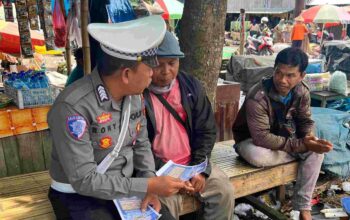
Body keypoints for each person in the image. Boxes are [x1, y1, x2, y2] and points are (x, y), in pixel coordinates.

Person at [47, 16, 193, 220]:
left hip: (127, 187)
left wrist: (149, 185)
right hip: (79, 195)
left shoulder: (135, 96)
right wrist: (148, 185)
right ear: (126, 74)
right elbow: (84, 181)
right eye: (149, 67)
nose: (153, 73)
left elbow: (141, 144)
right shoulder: (73, 107)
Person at [232, 47, 333, 220]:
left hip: (283, 141)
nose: (282, 80)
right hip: (251, 142)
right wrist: (302, 146)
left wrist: (308, 137)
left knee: (317, 152)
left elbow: (305, 121)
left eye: (290, 75)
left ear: (301, 76)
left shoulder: (302, 91)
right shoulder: (258, 95)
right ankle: (299, 155)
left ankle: (303, 208)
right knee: (259, 156)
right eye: (278, 73)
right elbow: (261, 137)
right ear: (274, 69)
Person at [143, 31, 235, 220]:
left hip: (192, 163)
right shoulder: (138, 93)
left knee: (223, 191)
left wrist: (200, 169)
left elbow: (206, 130)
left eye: (172, 63)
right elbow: (137, 144)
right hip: (158, 169)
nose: (166, 71)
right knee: (163, 207)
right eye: (158, 64)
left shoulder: (190, 86)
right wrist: (166, 174)